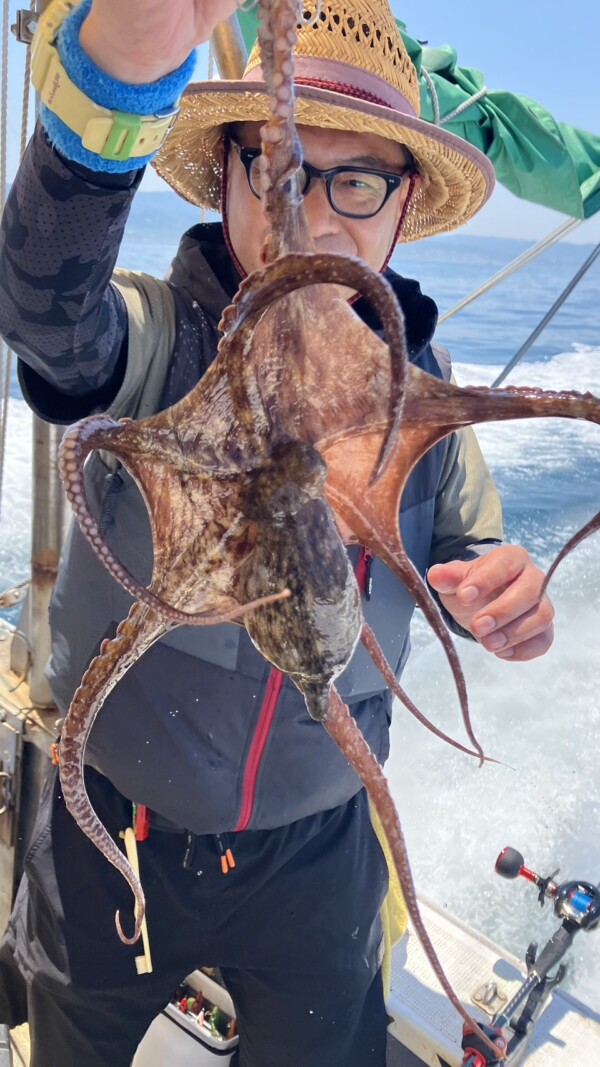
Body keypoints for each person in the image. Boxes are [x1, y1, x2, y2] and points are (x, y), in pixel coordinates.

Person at [0, 1, 555, 1064]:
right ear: (228, 180)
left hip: (321, 857)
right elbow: (50, 319)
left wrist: (503, 605)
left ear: (402, 209)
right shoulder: (160, 349)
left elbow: (468, 568)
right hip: (113, 830)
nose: (314, 214)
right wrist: (112, 85)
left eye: (357, 180)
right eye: (279, 168)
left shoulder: (425, 416)